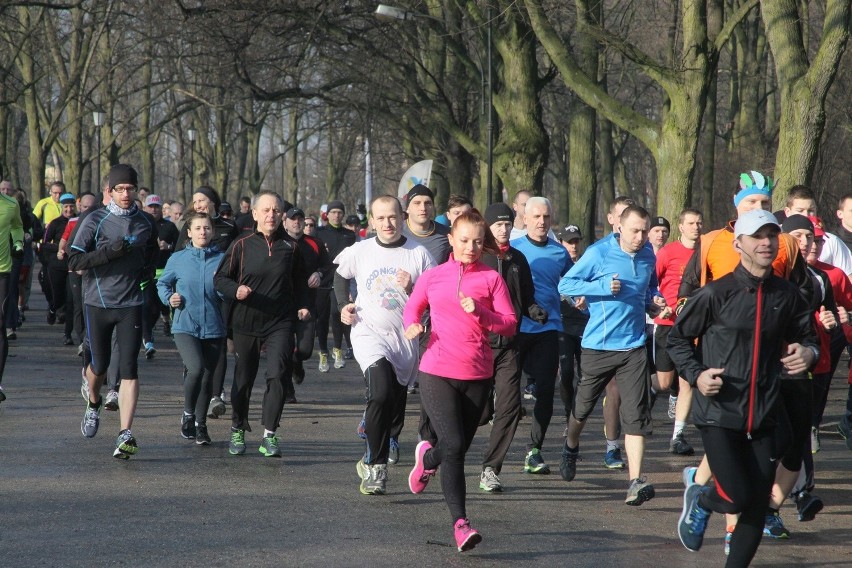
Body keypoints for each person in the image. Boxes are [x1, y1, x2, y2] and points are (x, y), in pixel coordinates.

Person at [669, 208, 818, 567]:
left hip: (765, 413)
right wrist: (697, 373)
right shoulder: (715, 294)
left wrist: (808, 354)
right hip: (719, 411)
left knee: (755, 506)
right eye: (758, 237)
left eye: (772, 236)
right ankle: (703, 499)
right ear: (739, 244)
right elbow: (676, 340)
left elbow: (808, 338)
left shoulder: (787, 295)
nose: (767, 243)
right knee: (736, 497)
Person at [404, 210, 516, 553]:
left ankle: (428, 461)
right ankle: (460, 524)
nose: (470, 247)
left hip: (478, 374)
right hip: (436, 370)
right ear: (451, 239)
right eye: (464, 240)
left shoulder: (491, 278)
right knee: (453, 445)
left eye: (477, 241)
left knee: (457, 448)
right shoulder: (434, 276)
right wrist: (413, 325)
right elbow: (413, 307)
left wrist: (480, 313)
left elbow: (510, 323)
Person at [558, 205, 665, 505]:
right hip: (599, 345)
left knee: (636, 417)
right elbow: (565, 284)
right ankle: (570, 444)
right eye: (634, 231)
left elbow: (647, 290)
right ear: (619, 227)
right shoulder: (598, 253)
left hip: (633, 347)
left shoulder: (647, 255)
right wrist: (601, 286)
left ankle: (635, 481)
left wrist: (653, 303)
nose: (640, 237)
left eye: (644, 231)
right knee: (582, 408)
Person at [334, 195, 435, 495]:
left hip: (404, 338)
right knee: (379, 393)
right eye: (380, 218)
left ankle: (374, 433)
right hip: (368, 331)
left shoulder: (419, 254)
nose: (387, 224)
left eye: (392, 217)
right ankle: (375, 466)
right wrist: (343, 305)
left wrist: (412, 287)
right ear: (372, 221)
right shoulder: (361, 250)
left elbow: (433, 296)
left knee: (392, 399)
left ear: (402, 217)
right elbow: (340, 276)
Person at [68, 164, 158, 459]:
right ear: (110, 191)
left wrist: (147, 272)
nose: (126, 194)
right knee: (101, 365)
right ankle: (93, 402)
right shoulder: (95, 219)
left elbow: (152, 255)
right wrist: (110, 253)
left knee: (130, 368)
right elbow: (74, 261)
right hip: (99, 303)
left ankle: (125, 433)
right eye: (120, 189)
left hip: (131, 303)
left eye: (131, 188)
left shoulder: (146, 221)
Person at [214, 191, 310, 458]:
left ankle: (270, 434)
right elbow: (220, 279)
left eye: (276, 211)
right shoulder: (241, 244)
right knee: (243, 378)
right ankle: (238, 427)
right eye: (265, 210)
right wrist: (236, 290)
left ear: (282, 215)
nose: (271, 215)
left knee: (278, 373)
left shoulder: (291, 247)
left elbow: (300, 282)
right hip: (246, 320)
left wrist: (304, 305)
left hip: (280, 321)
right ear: (254, 214)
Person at [478, 203, 544, 492]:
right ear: (487, 227)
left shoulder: (518, 259)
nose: (503, 229)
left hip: (509, 345)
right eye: (497, 225)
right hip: (478, 345)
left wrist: (534, 310)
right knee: (475, 410)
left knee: (509, 405)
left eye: (507, 224)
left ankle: (491, 468)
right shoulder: (477, 257)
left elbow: (526, 297)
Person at [511, 196, 573, 474]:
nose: (541, 222)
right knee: (508, 394)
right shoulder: (512, 249)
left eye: (546, 217)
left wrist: (577, 298)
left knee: (547, 390)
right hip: (515, 328)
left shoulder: (560, 253)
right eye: (536, 217)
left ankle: (534, 450)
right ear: (525, 219)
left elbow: (572, 283)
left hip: (548, 328)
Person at [157, 212, 226, 445]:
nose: (202, 232)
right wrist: (170, 297)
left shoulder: (223, 259)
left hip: (214, 325)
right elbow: (163, 283)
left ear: (213, 232)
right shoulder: (178, 258)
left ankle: (201, 425)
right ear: (189, 232)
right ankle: (188, 414)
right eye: (197, 228)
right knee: (195, 369)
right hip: (185, 324)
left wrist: (225, 293)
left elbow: (230, 286)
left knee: (207, 377)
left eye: (207, 228)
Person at [654, 208, 703, 455]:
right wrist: (658, 306)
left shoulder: (706, 252)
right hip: (666, 324)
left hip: (693, 327)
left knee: (687, 382)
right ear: (681, 226)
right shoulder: (667, 252)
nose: (696, 227)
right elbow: (653, 283)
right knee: (664, 382)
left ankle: (678, 436)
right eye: (691, 223)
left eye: (699, 223)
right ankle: (647, 387)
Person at [283, 207, 332, 400]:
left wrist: (319, 274)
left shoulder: (314, 243)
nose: (296, 222)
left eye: (300, 219)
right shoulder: (279, 242)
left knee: (304, 350)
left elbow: (328, 267)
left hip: (308, 303)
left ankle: (298, 361)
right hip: (284, 305)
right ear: (285, 222)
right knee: (283, 350)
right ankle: (287, 391)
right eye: (292, 219)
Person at [315, 200, 357, 372]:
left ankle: (338, 349)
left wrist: (353, 288)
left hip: (341, 281)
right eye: (333, 212)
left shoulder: (349, 235)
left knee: (337, 314)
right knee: (322, 318)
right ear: (327, 214)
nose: (337, 215)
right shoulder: (320, 233)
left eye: (340, 212)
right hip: (322, 281)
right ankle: (323, 352)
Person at [141, 194, 180, 357]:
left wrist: (168, 246)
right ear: (145, 208)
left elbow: (179, 248)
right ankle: (148, 340)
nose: (154, 209)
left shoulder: (169, 226)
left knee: (162, 307)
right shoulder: (141, 224)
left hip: (165, 273)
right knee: (147, 305)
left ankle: (171, 328)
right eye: (151, 206)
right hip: (146, 272)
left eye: (157, 206)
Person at [0, 186, 24, 403]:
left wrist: (18, 242)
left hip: (2, 271)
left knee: (0, 326)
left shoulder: (10, 203)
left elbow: (17, 227)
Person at [40, 193, 76, 329]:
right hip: (57, 263)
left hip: (73, 264)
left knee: (70, 296)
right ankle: (53, 308)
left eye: (71, 207)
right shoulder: (55, 223)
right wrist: (58, 249)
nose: (69, 210)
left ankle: (67, 327)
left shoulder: (79, 221)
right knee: (57, 294)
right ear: (61, 207)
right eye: (66, 206)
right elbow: (44, 244)